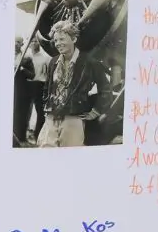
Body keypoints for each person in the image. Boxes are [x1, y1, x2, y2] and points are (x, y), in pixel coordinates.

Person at [36, 20, 113, 148]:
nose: (58, 44)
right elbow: (47, 88)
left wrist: (96, 111)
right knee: (46, 150)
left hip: (73, 118)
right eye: (56, 40)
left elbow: (106, 88)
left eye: (62, 39)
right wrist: (46, 106)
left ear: (74, 39)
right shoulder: (53, 62)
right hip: (51, 116)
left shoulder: (90, 62)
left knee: (71, 154)